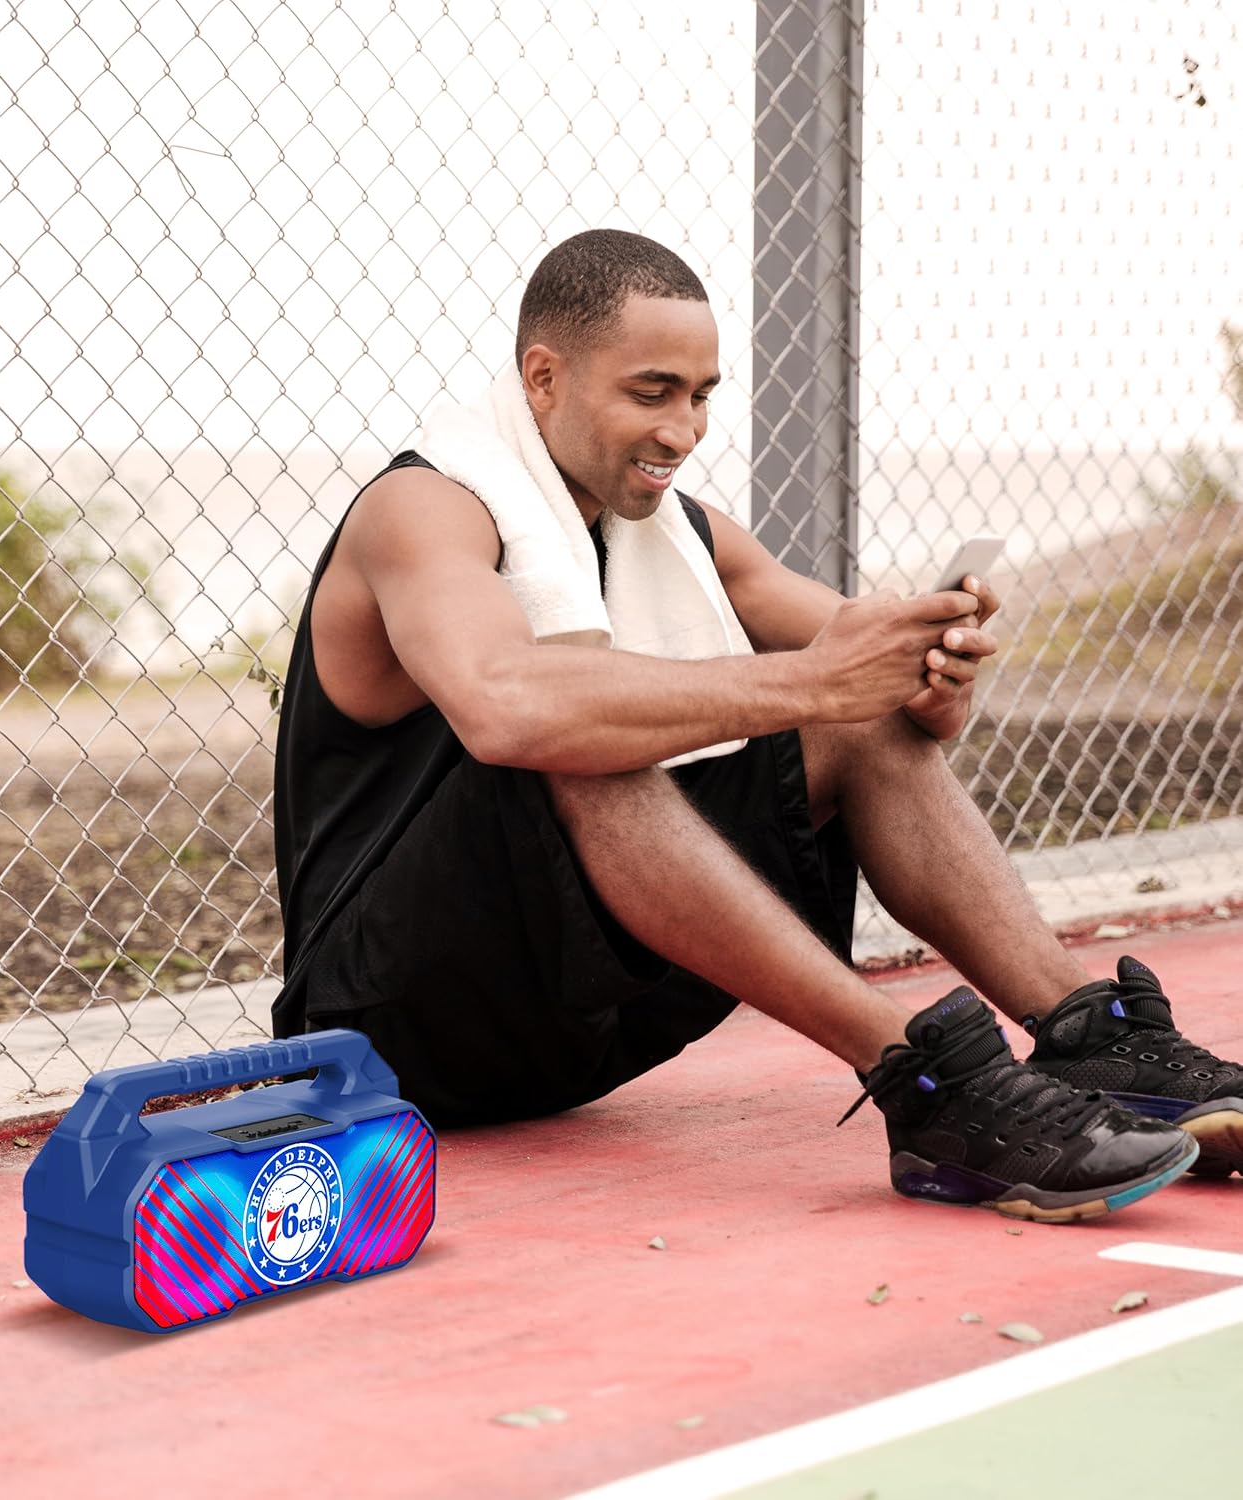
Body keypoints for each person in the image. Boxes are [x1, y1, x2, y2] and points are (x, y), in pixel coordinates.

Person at [271, 228, 1241, 1222]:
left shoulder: (681, 531)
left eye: (701, 395)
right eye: (652, 392)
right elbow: (504, 702)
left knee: (854, 728)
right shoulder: (424, 507)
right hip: (392, 1025)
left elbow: (865, 684)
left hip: (586, 1024)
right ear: (544, 378)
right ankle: (927, 1082)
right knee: (581, 733)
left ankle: (1094, 1039)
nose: (684, 430)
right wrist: (820, 681)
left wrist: (929, 684)